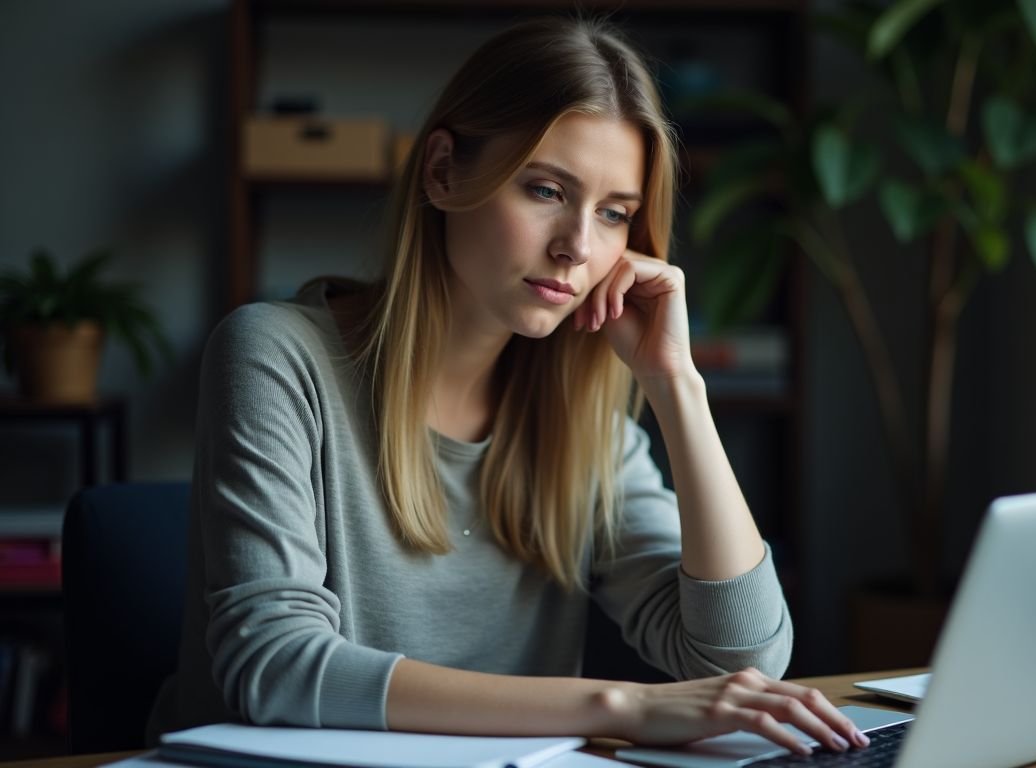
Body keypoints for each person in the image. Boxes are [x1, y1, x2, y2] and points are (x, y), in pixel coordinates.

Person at [147, 17, 868, 756]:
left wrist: (676, 387)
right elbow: (272, 668)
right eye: (546, 189)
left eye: (615, 213)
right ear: (441, 172)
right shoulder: (275, 355)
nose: (577, 247)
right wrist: (620, 706)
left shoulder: (583, 420)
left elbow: (742, 663)